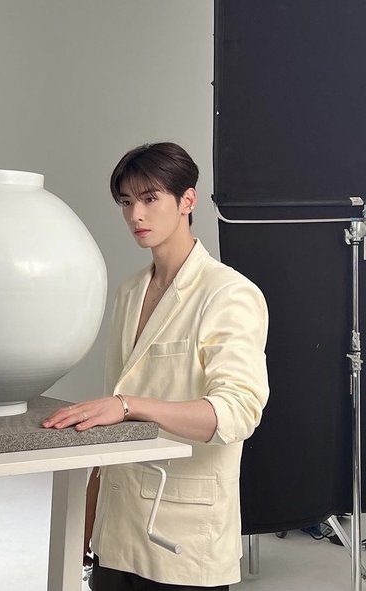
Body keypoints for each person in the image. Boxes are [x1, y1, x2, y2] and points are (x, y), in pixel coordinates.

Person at [42, 142, 269, 590]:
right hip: (116, 530)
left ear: (188, 200)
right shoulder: (129, 292)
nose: (136, 215)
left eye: (150, 199)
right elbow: (113, 411)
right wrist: (89, 518)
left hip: (183, 536)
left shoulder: (229, 294)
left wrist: (130, 406)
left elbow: (237, 412)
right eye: (126, 202)